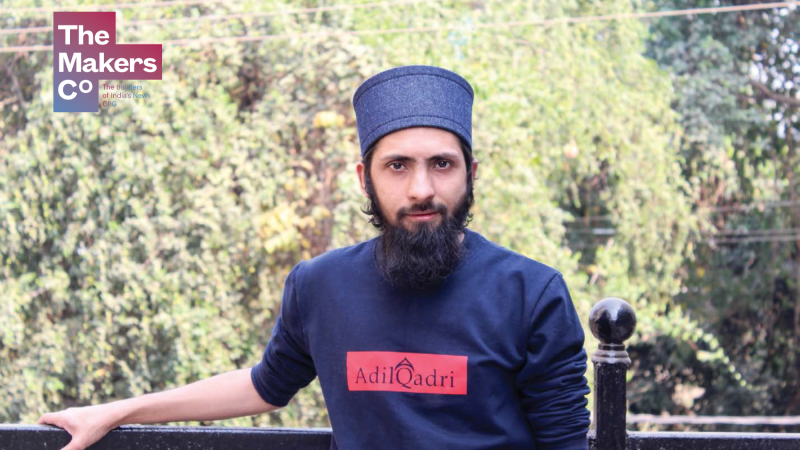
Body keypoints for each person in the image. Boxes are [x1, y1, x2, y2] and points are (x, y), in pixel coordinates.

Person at [38, 65, 591, 450]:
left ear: (471, 174)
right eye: (397, 166)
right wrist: (116, 411)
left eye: (442, 164)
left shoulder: (532, 293)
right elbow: (263, 386)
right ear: (365, 179)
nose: (422, 188)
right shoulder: (320, 285)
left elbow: (565, 443)